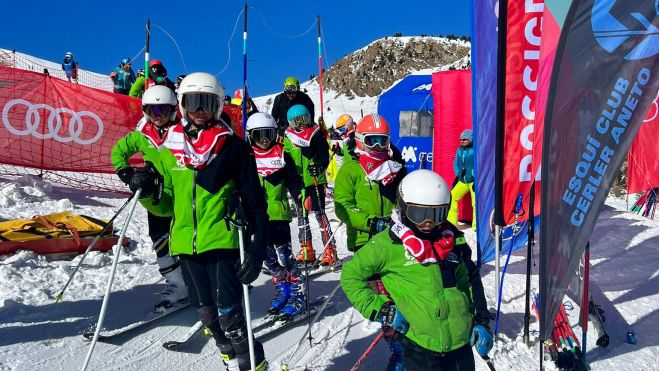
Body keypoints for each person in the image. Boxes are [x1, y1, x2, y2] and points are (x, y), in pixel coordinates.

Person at [139, 72, 268, 371]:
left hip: (222, 241)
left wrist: (257, 247)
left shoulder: (233, 148)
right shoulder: (169, 149)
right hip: (186, 244)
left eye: (207, 103)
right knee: (209, 318)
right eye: (193, 102)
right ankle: (231, 361)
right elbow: (165, 205)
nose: (200, 111)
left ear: (218, 106)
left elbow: (255, 203)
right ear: (182, 105)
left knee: (230, 318)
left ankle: (255, 365)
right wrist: (147, 191)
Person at [341, 169, 493, 371]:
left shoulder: (451, 239)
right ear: (404, 208)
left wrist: (481, 319)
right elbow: (351, 275)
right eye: (419, 214)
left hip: (460, 343)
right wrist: (381, 309)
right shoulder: (387, 245)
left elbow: (470, 279)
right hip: (419, 345)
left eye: (437, 214)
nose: (428, 223)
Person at [333, 113, 407, 370]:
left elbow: (404, 196)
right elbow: (342, 205)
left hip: (393, 239)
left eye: (382, 141)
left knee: (399, 290)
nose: (377, 147)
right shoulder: (351, 169)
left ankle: (404, 347)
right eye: (371, 141)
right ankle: (397, 345)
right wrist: (370, 222)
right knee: (383, 296)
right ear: (360, 140)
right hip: (366, 240)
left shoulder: (394, 165)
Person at [111, 85, 188, 311]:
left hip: (185, 195)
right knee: (160, 239)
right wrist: (128, 175)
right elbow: (118, 151)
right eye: (153, 111)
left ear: (174, 109)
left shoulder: (185, 130)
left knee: (189, 239)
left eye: (164, 110)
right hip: (157, 196)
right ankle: (177, 286)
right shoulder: (143, 135)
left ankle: (204, 280)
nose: (159, 116)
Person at [245, 112, 307, 319]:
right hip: (255, 217)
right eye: (258, 135)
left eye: (268, 135)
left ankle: (298, 293)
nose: (263, 140)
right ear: (250, 136)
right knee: (268, 257)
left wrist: (300, 194)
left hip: (277, 214)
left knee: (285, 256)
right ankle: (283, 289)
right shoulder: (246, 158)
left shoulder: (281, 156)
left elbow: (293, 180)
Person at [283, 104, 337, 267]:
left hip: (315, 180)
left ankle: (330, 250)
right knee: (301, 216)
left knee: (320, 215)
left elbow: (323, 154)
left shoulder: (315, 134)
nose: (301, 125)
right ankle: (307, 249)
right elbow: (287, 160)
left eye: (303, 120)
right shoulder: (288, 137)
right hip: (298, 183)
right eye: (296, 122)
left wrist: (320, 166)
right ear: (290, 123)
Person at [447, 129, 476, 230]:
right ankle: (451, 223)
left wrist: (474, 175)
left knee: (475, 203)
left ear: (471, 140)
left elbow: (480, 165)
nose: (462, 141)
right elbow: (456, 163)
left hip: (473, 181)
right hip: (463, 180)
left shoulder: (476, 150)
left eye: (465, 139)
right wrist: (459, 173)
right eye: (461, 140)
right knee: (452, 196)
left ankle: (476, 227)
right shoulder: (459, 150)